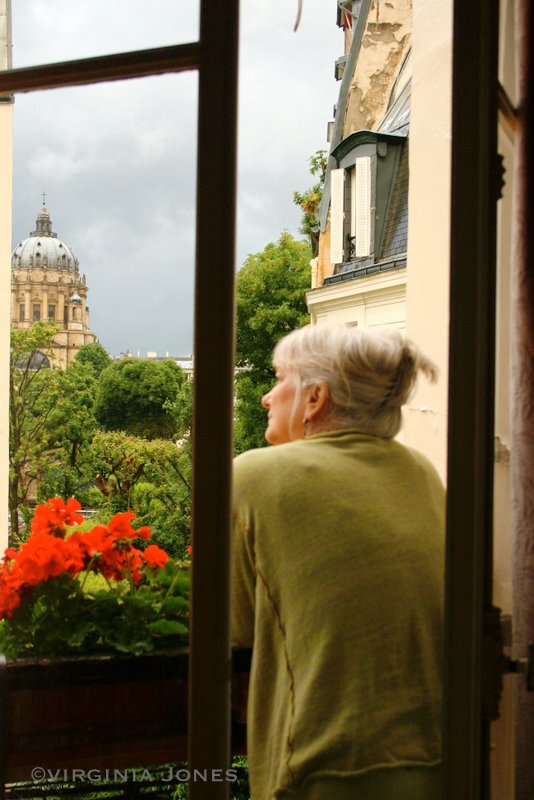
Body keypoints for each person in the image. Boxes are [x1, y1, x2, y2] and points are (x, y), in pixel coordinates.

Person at [231, 323, 444, 800]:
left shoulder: (253, 475)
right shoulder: (420, 471)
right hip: (443, 763)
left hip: (319, 773)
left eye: (280, 380)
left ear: (315, 398)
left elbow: (233, 628)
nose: (267, 397)